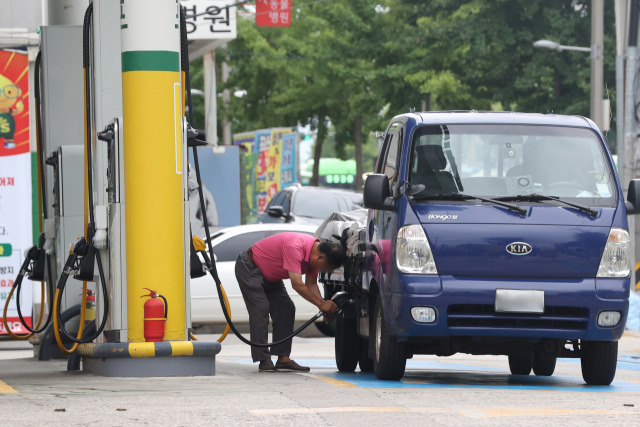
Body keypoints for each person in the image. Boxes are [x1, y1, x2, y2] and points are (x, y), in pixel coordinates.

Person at [235, 232, 346, 373]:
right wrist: (321, 304)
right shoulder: (295, 247)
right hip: (250, 268)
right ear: (320, 257)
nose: (322, 270)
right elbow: (297, 284)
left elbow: (311, 284)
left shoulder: (313, 256)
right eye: (325, 267)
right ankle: (264, 360)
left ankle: (283, 359)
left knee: (286, 308)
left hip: (271, 277)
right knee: (260, 309)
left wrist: (323, 305)